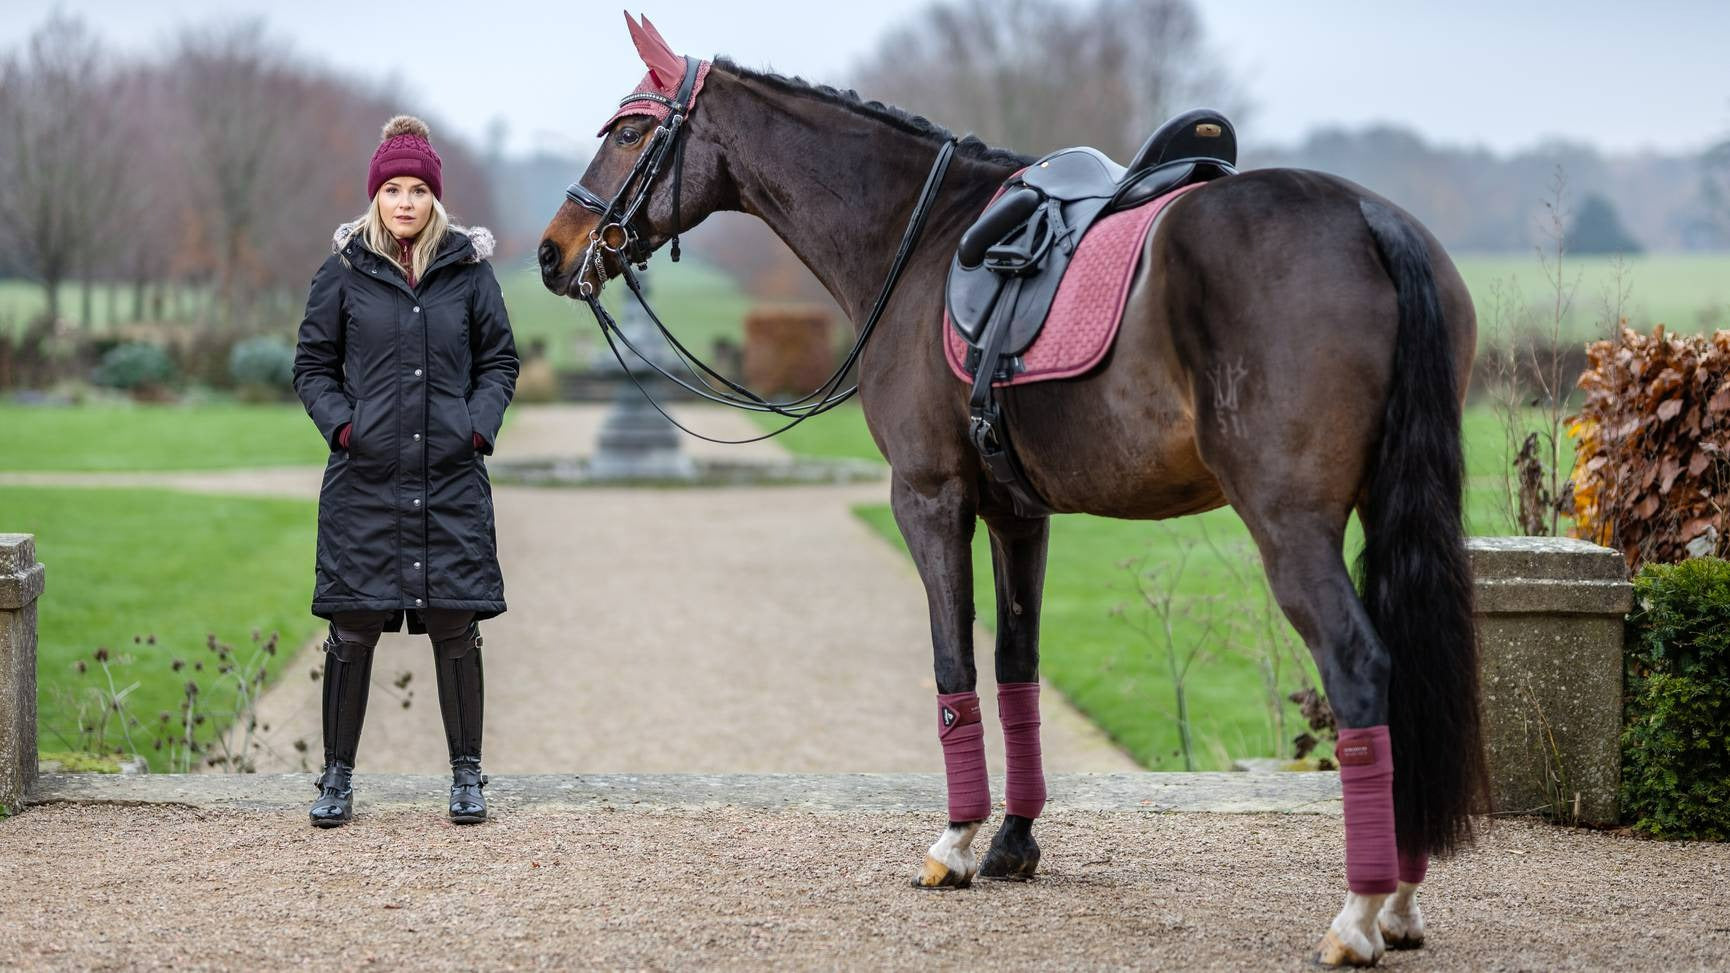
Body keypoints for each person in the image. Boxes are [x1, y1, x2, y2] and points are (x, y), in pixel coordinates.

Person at [292, 115, 517, 827]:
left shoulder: (470, 275)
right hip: (365, 483)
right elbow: (311, 367)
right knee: (352, 628)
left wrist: (475, 426)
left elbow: (500, 361)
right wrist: (347, 426)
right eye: (393, 188)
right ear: (376, 197)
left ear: (436, 198)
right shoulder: (343, 273)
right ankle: (335, 778)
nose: (406, 201)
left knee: (456, 625)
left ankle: (467, 775)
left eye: (418, 188)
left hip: (449, 478)